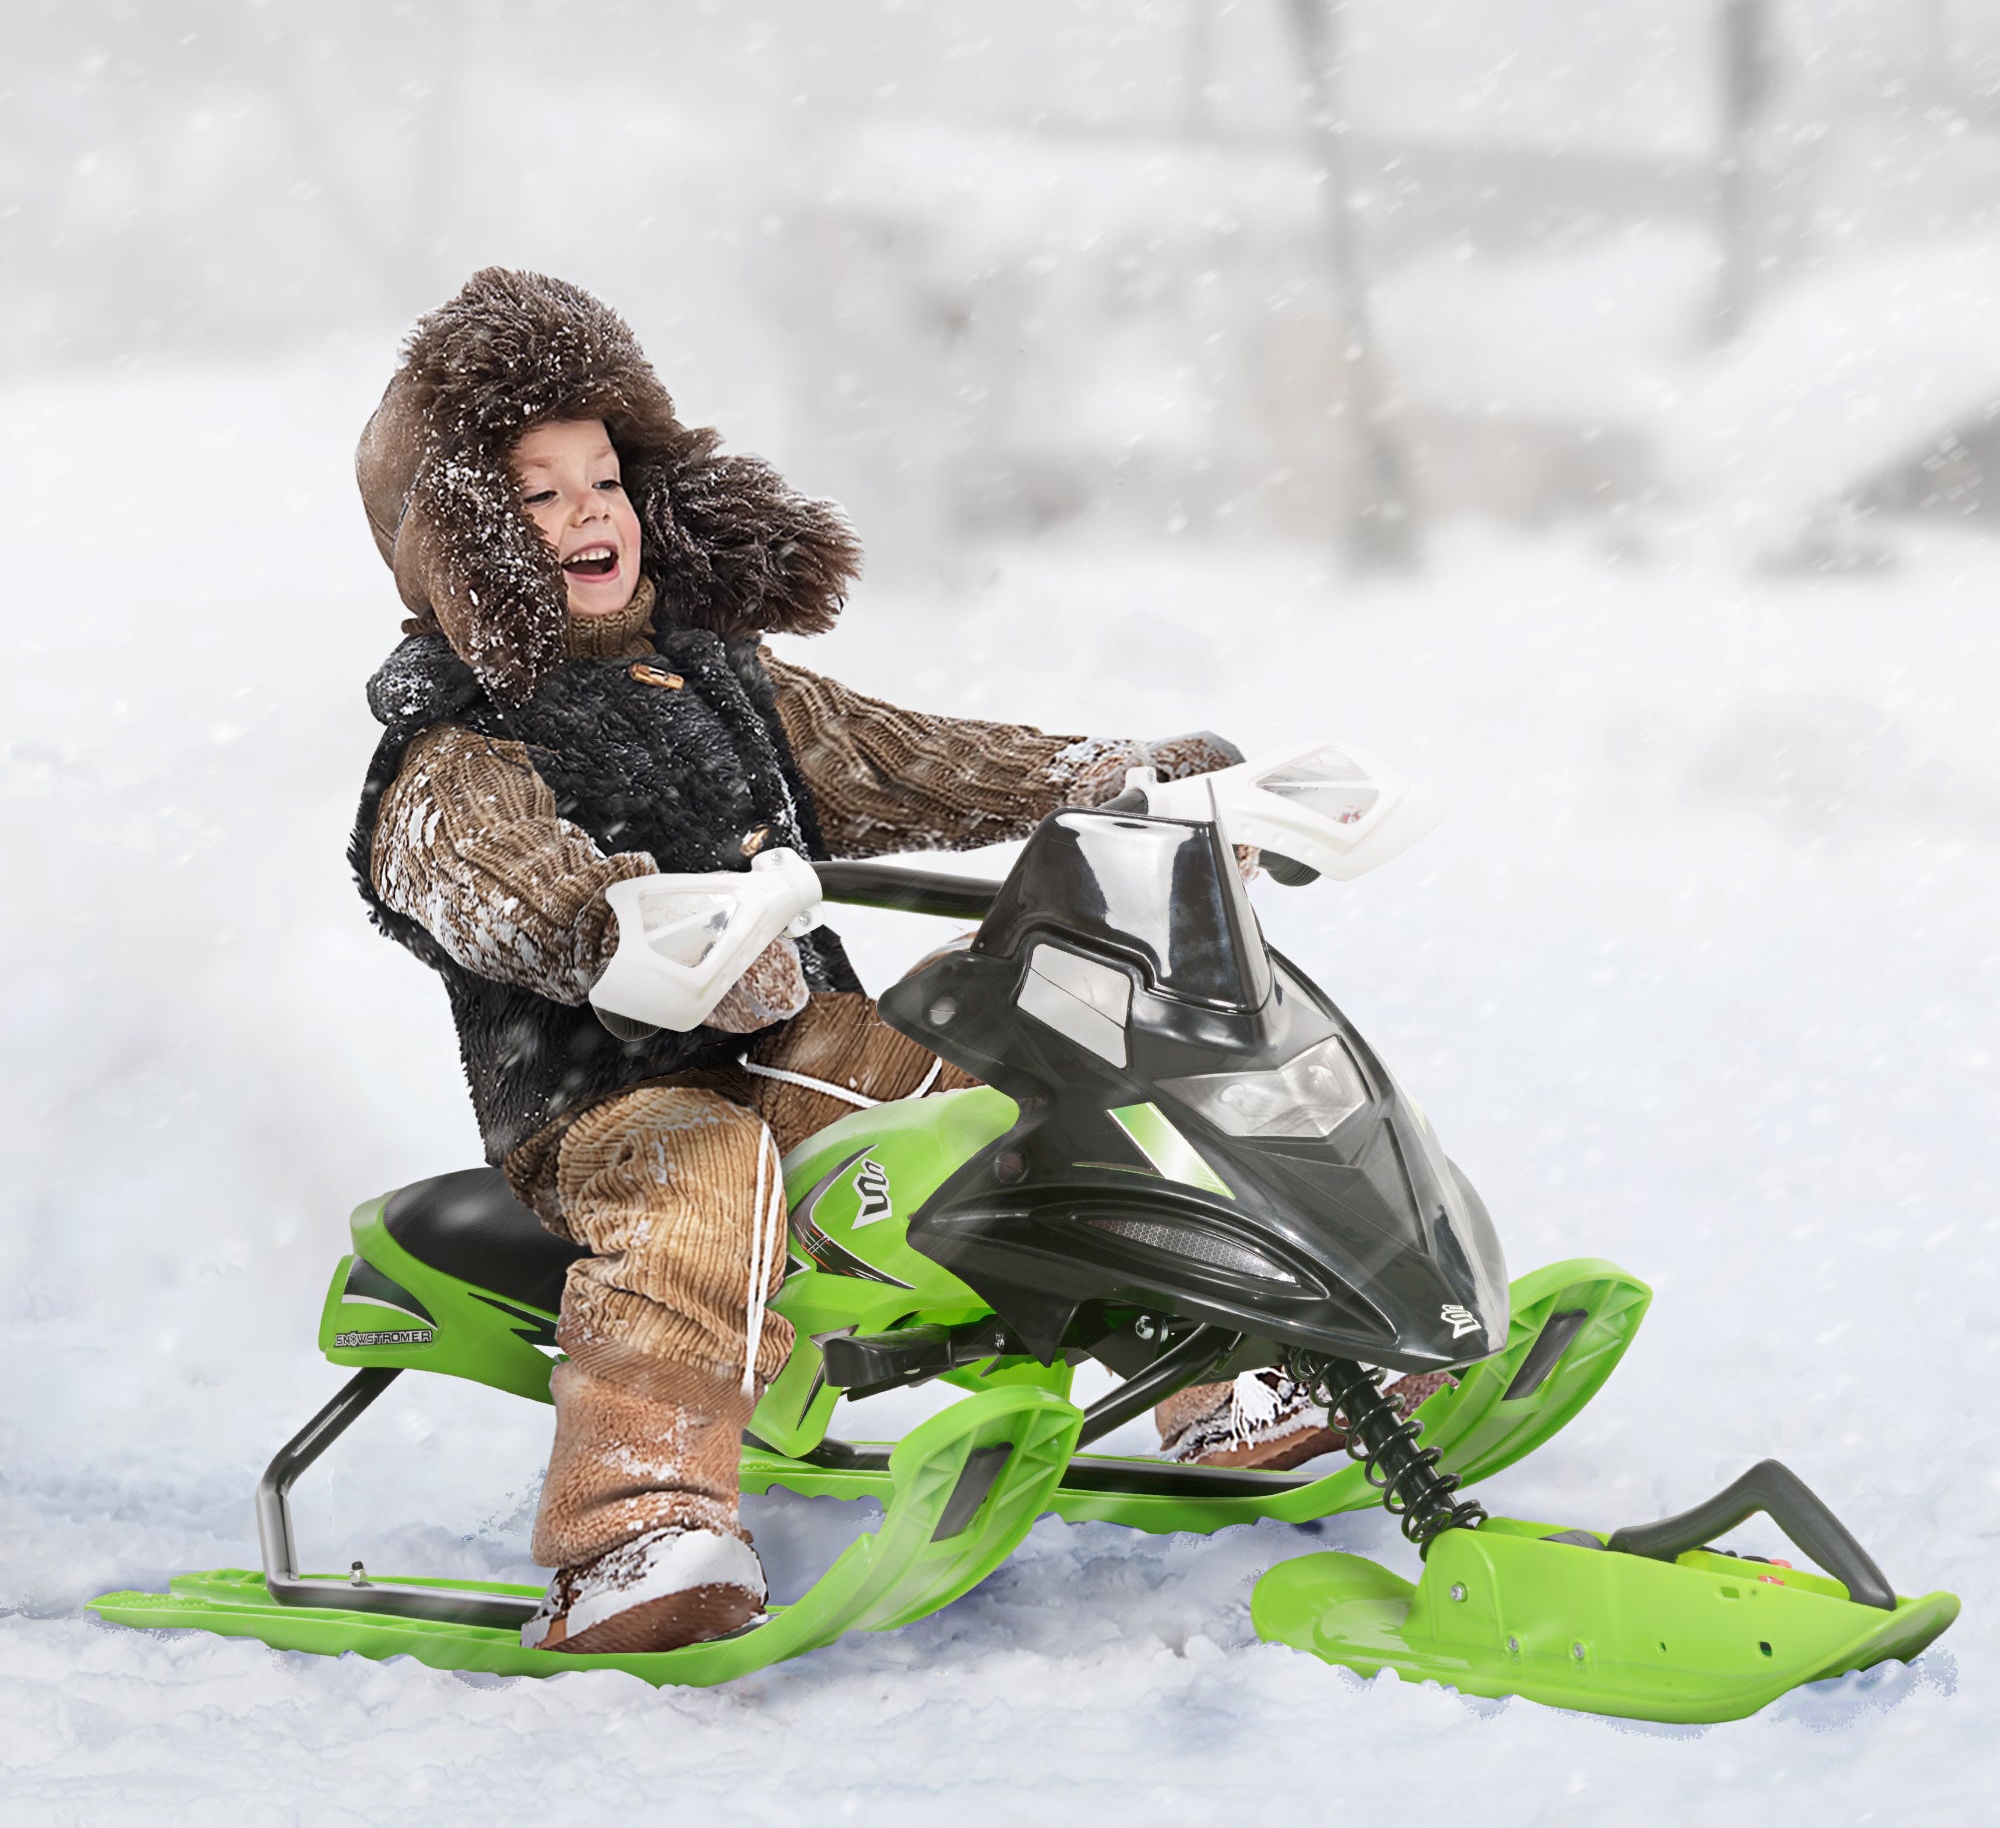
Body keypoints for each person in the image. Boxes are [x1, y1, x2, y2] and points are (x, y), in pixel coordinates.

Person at [351, 267, 1347, 1656]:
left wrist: (1113, 779)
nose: (589, 514)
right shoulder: (453, 749)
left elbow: (913, 759)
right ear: (462, 540)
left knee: (1006, 1105)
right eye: (539, 494)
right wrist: (625, 934)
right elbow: (485, 883)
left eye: (606, 479)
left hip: (800, 1041)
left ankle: (1218, 1373)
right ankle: (634, 1529)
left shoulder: (721, 679)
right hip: (609, 1106)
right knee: (703, 1175)